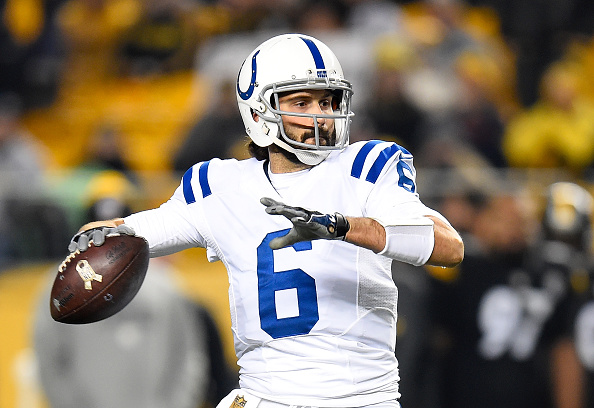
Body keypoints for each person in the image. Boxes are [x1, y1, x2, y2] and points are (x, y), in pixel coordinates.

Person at [66, 33, 464, 408]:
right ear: (259, 112)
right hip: (264, 396)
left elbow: (448, 247)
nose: (321, 116)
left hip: (357, 399)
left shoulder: (367, 167)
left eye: (327, 102)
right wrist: (105, 234)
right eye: (302, 102)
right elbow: (139, 233)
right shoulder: (220, 186)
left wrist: (341, 227)